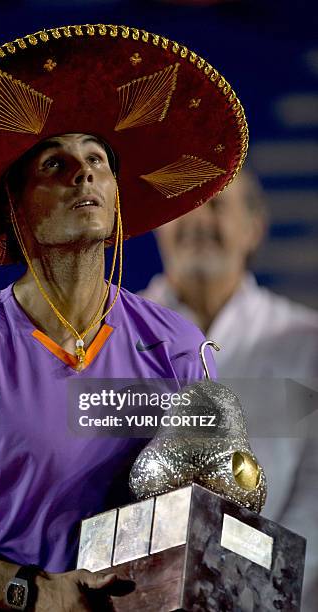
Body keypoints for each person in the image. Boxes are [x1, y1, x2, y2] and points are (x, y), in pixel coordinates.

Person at [0, 24, 247, 611]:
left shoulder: (178, 344)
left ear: (118, 194)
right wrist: (31, 592)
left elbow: (217, 518)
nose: (84, 173)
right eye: (55, 163)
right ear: (15, 205)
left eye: (97, 159)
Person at [141, 168, 318, 610]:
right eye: (184, 207)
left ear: (253, 229)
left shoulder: (307, 343)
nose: (199, 221)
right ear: (159, 226)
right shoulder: (110, 338)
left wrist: (253, 579)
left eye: (218, 204)